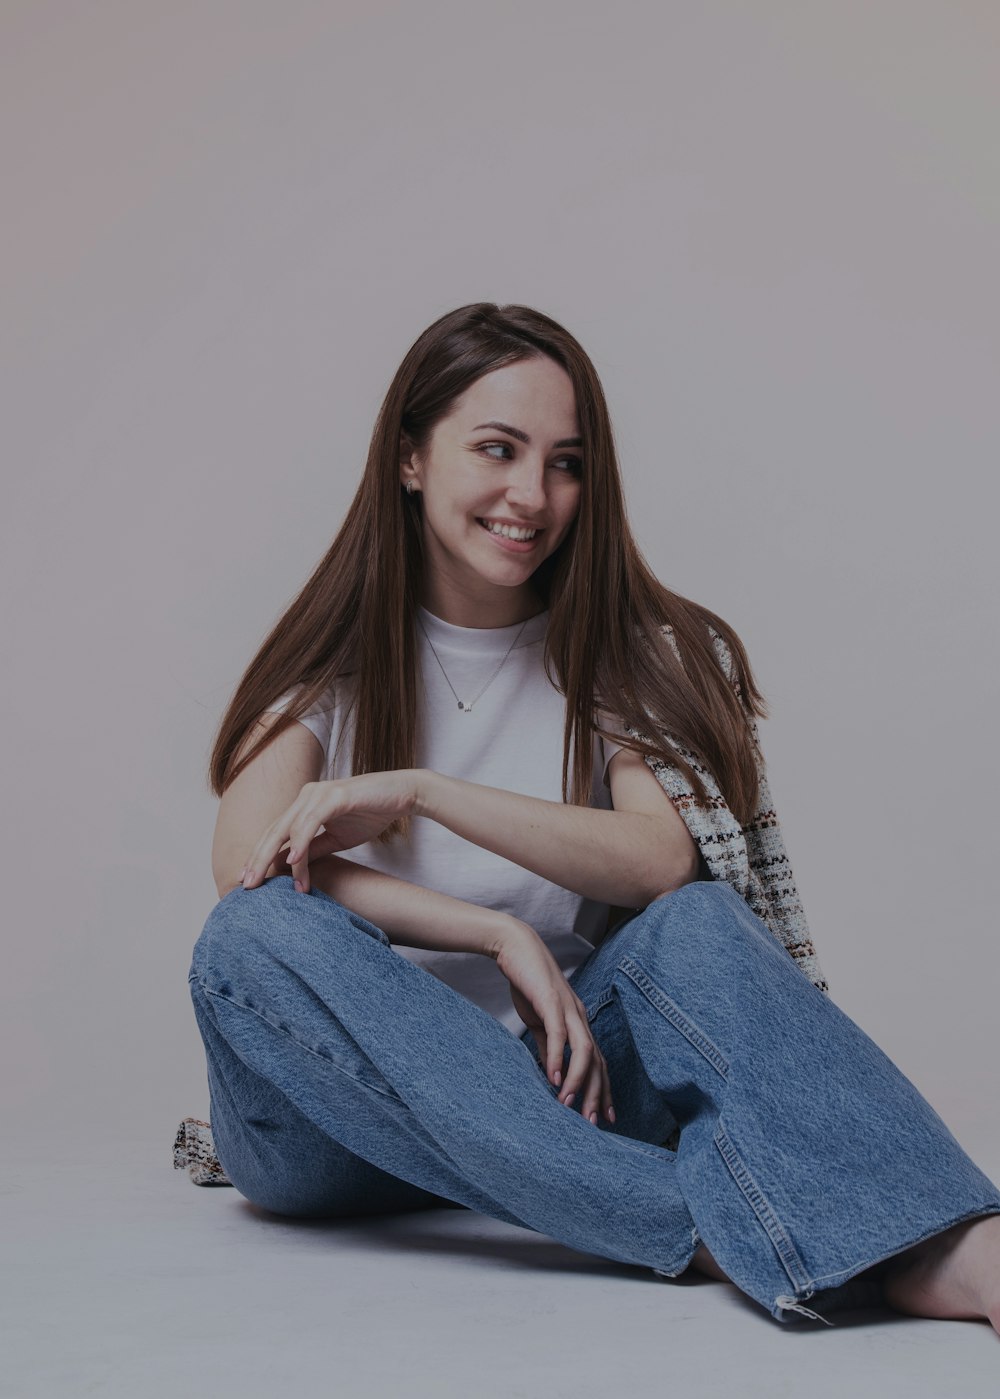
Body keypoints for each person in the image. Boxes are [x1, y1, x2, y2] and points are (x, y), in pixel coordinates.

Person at [189, 302, 1000, 1330]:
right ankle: (727, 1226)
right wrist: (494, 931)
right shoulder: (339, 659)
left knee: (700, 924)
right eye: (497, 449)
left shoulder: (625, 651)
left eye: (565, 463)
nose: (532, 495)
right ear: (409, 458)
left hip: (568, 1094)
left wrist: (427, 791)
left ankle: (965, 1248)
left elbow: (660, 860)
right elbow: (244, 866)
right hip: (336, 1126)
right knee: (253, 936)